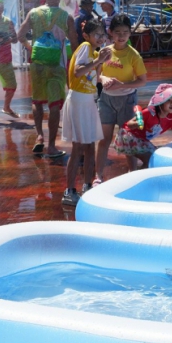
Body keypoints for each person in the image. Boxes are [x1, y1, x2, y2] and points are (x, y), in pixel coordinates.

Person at [16, 0, 79, 158]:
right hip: (56, 65)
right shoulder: (66, 17)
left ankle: (39, 137)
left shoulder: (33, 13)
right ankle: (51, 146)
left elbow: (19, 36)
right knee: (54, 105)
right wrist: (76, 65)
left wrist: (31, 48)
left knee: (37, 101)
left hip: (37, 64)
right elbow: (74, 43)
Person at [61, 19, 111, 206]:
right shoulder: (84, 47)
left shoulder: (95, 52)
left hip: (88, 101)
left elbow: (94, 78)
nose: (101, 38)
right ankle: (69, 191)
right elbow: (78, 72)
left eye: (103, 34)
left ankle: (87, 186)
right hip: (78, 101)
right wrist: (98, 60)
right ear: (86, 36)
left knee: (90, 146)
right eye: (97, 34)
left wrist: (102, 64)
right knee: (78, 147)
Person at [95, 13, 148, 184]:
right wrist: (103, 79)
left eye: (125, 32)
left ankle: (132, 171)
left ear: (130, 33)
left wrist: (122, 85)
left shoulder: (133, 55)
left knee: (128, 138)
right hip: (106, 100)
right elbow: (97, 74)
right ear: (110, 32)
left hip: (127, 100)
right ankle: (98, 176)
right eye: (117, 32)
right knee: (104, 139)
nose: (121, 35)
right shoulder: (105, 52)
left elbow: (142, 81)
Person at [113, 83, 172, 170]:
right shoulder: (149, 113)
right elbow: (129, 124)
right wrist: (137, 124)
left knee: (146, 161)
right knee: (151, 160)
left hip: (142, 139)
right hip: (128, 136)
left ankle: (135, 174)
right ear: (160, 102)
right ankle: (141, 176)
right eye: (169, 100)